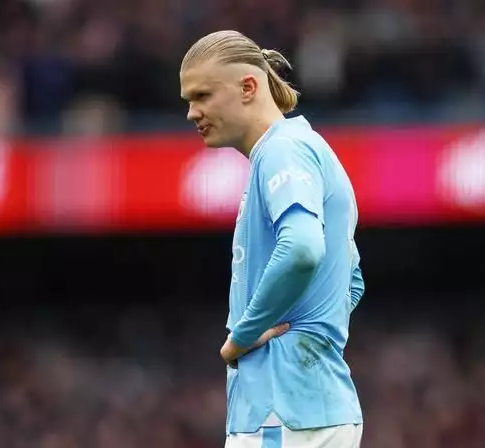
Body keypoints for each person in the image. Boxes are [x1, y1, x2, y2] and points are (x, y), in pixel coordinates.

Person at [180, 30, 365, 448]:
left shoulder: (282, 151)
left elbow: (302, 249)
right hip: (306, 407)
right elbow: (350, 282)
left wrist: (244, 335)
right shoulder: (304, 148)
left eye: (202, 95)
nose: (192, 112)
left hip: (281, 412)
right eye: (188, 100)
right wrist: (309, 331)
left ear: (249, 87)